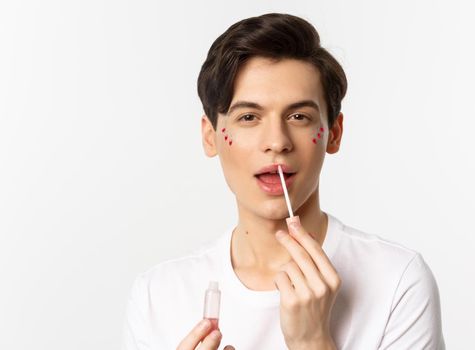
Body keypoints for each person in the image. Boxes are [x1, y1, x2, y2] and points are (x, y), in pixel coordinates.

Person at [121, 13, 445, 350]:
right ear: (211, 136)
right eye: (249, 117)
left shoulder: (397, 281)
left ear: (333, 134)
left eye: (299, 117)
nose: (277, 141)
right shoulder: (157, 295)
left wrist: (312, 340)